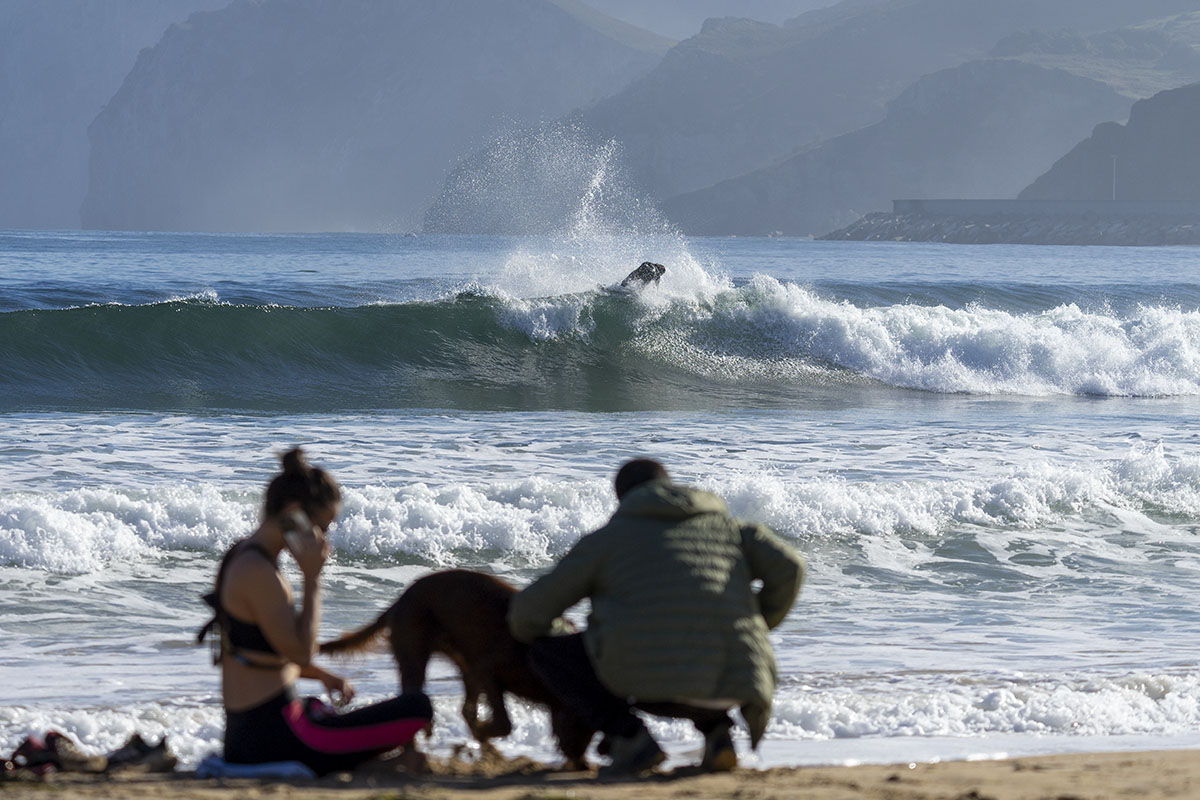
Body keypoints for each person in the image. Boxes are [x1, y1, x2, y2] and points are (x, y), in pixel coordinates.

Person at [507, 458, 805, 775]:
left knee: (546, 651)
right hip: (739, 682)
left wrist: (567, 631)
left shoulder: (608, 540)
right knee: (700, 641)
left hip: (650, 688)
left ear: (623, 498)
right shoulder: (730, 529)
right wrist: (757, 623)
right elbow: (792, 568)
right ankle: (719, 737)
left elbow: (526, 616)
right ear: (669, 485)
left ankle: (631, 738)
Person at [198, 448, 432, 775]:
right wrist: (312, 577)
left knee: (326, 712)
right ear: (294, 514)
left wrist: (324, 676)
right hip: (276, 739)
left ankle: (380, 764)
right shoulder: (260, 573)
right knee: (417, 708)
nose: (325, 540)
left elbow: (259, 652)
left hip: (251, 734)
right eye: (323, 526)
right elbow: (302, 654)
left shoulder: (243, 555)